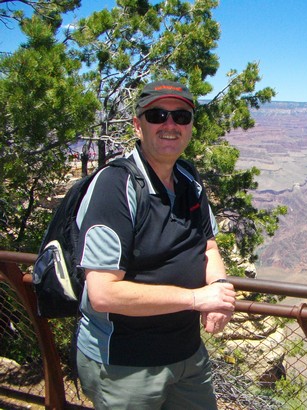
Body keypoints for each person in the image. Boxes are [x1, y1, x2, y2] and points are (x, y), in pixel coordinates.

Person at [74, 80, 236, 410]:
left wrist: (217, 291)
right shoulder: (116, 186)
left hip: (188, 353)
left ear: (191, 126)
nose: (170, 125)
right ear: (137, 124)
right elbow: (103, 292)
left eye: (181, 116)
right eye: (157, 115)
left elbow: (208, 247)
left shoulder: (189, 179)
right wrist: (196, 298)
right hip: (127, 364)